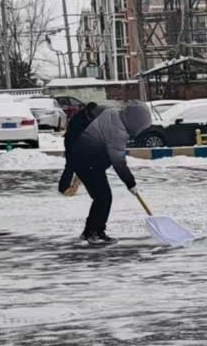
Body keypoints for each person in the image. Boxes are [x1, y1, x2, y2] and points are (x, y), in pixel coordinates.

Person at [61, 100, 154, 244]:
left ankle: (90, 232)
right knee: (103, 198)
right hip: (87, 162)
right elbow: (119, 163)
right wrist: (131, 184)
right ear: (135, 122)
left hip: (87, 160)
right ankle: (94, 233)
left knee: (102, 198)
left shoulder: (114, 113)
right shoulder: (118, 132)